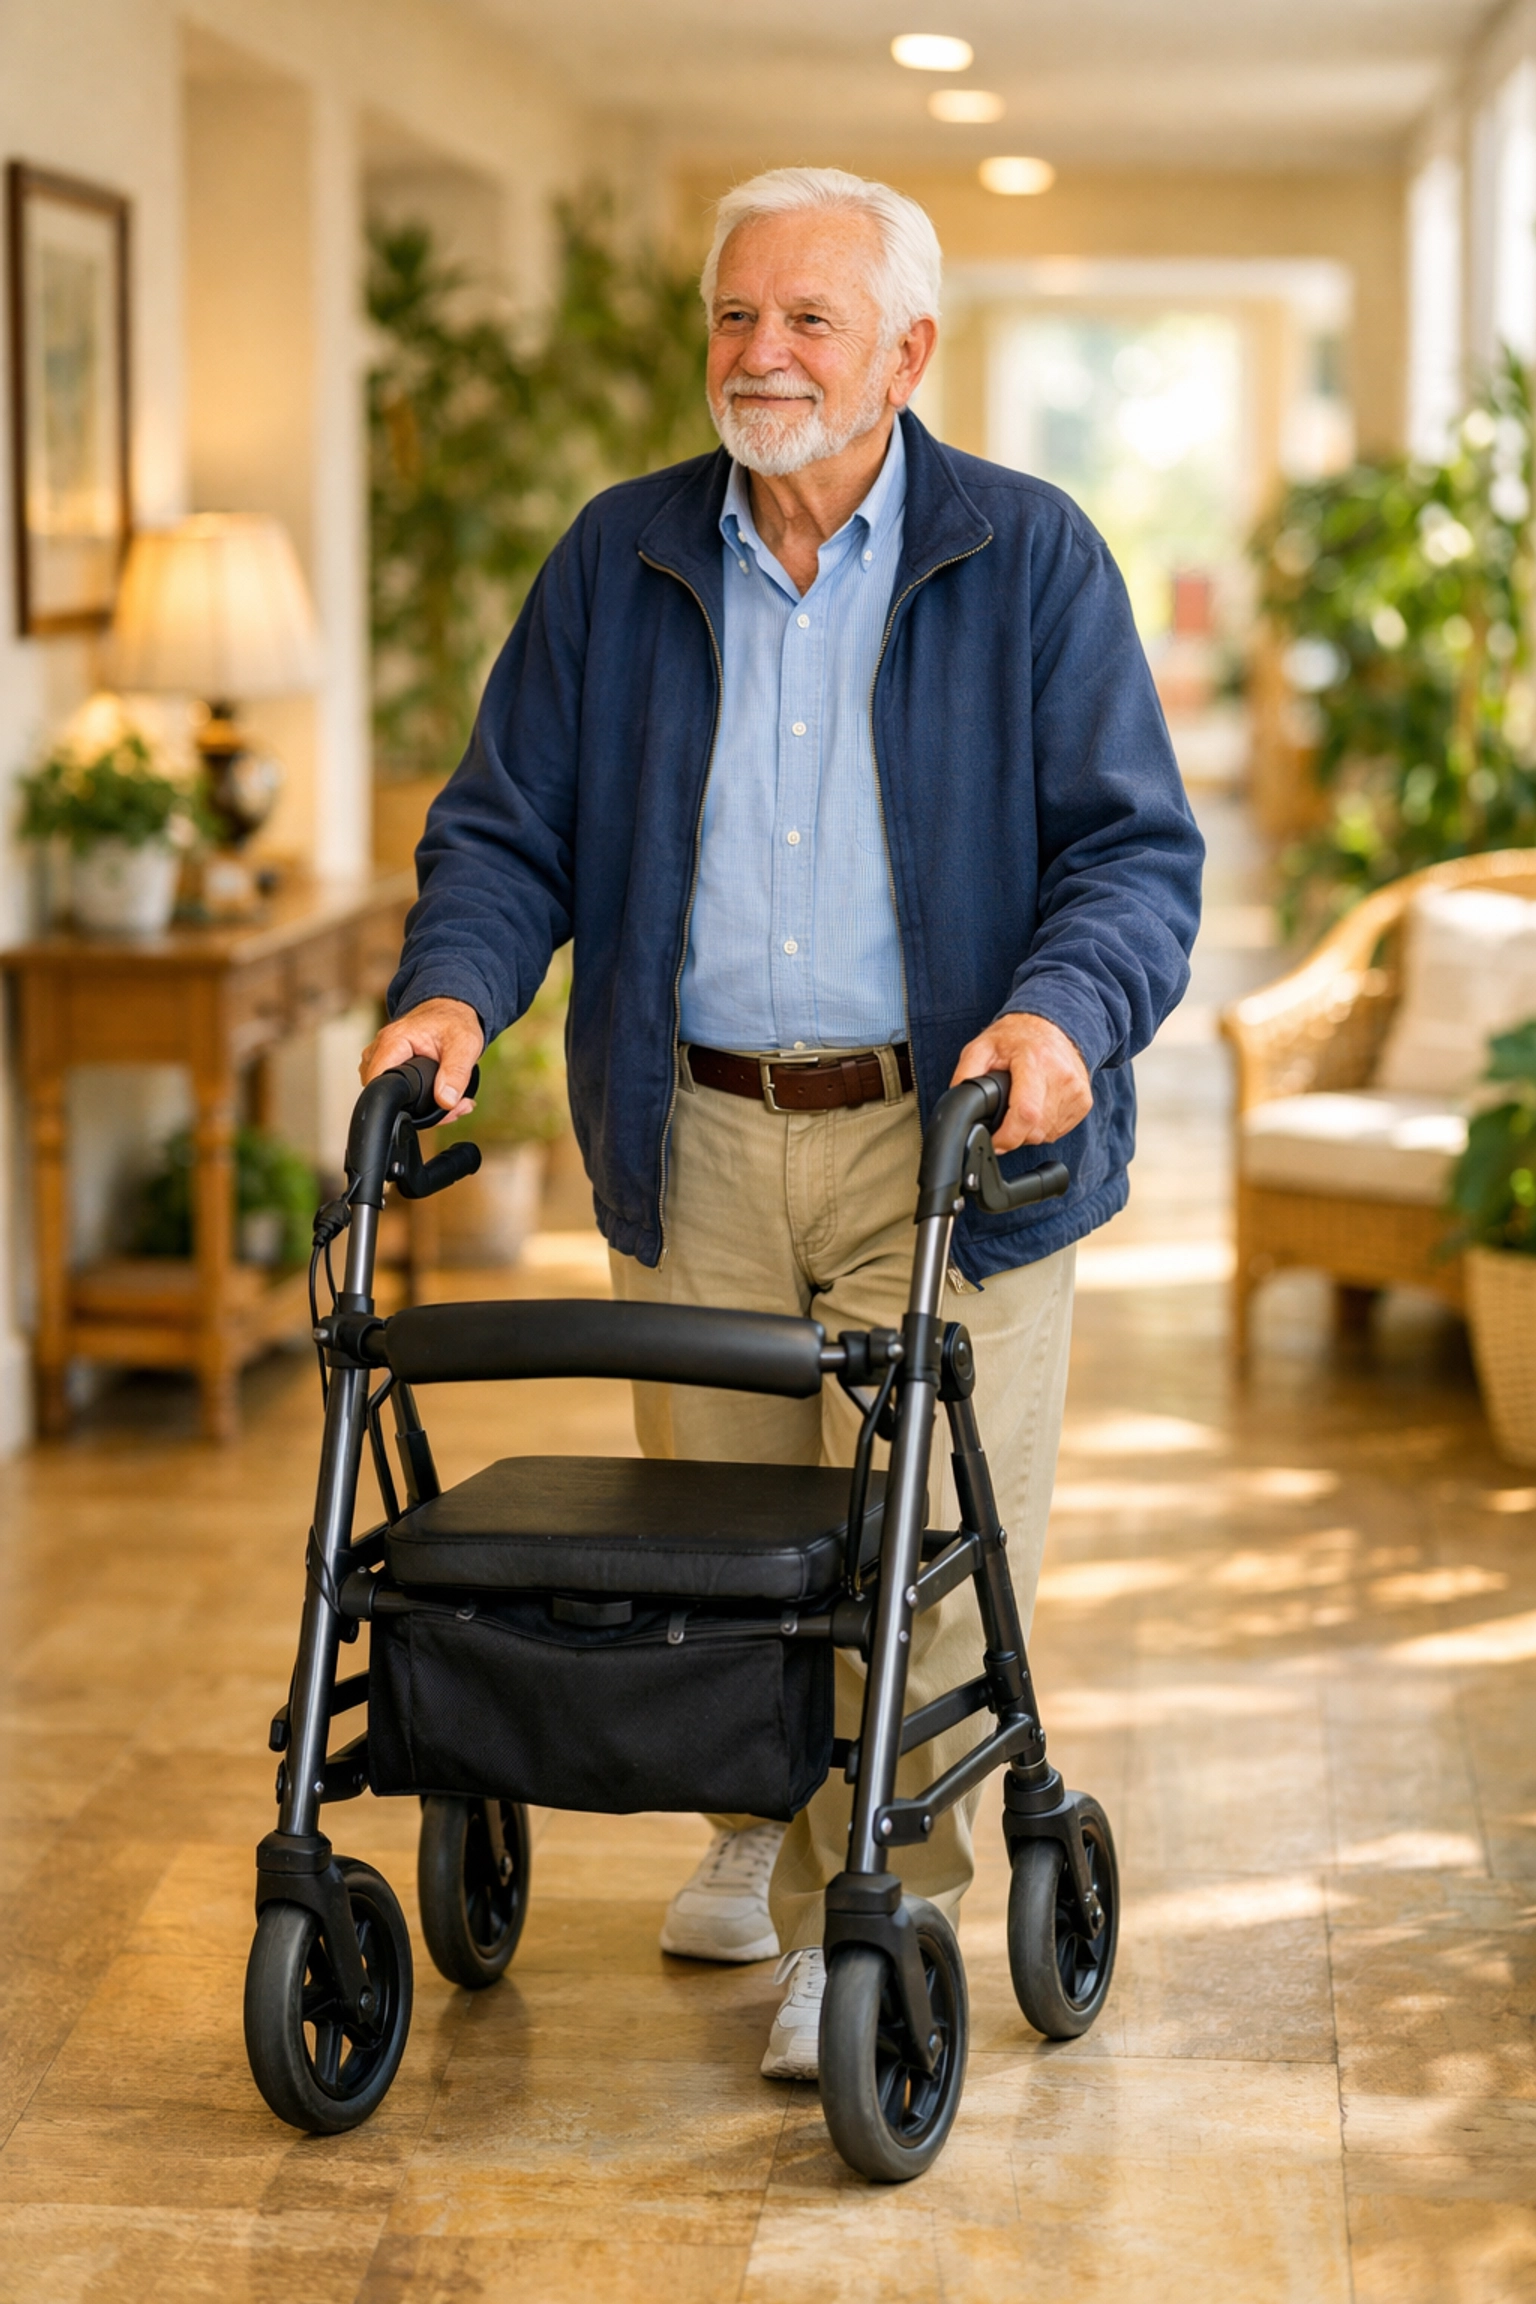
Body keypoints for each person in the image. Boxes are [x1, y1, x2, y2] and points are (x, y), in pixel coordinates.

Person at [363, 166, 1203, 2081]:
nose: (764, 354)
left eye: (812, 319)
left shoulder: (1029, 555)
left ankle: (867, 1906)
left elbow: (1134, 854)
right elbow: (506, 829)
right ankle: (767, 1813)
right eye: (737, 315)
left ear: (907, 354)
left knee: (917, 1553)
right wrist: (452, 993)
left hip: (952, 1142)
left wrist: (1061, 1017)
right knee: (723, 1549)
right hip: (700, 1132)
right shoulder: (622, 556)